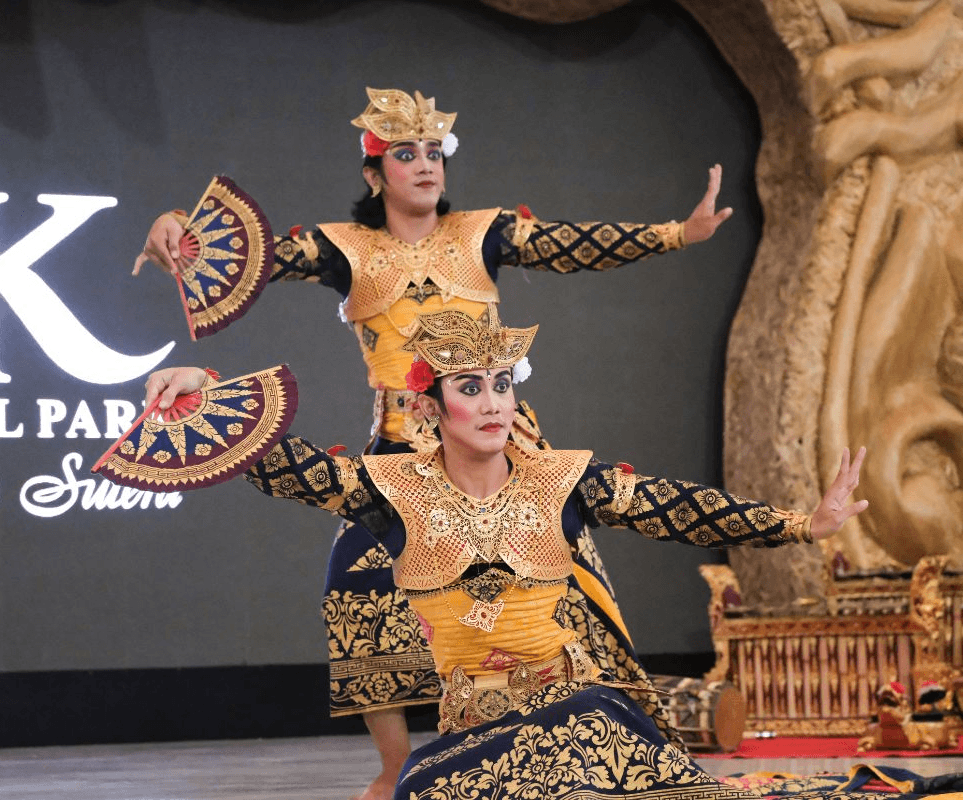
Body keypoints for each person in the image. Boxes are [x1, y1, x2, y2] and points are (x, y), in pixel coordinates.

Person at [132, 87, 733, 800]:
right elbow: (248, 257)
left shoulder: (482, 232)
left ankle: (586, 744)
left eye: (434, 152)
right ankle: (394, 769)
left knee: (563, 590)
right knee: (356, 592)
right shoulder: (346, 248)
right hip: (399, 444)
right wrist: (175, 223)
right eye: (405, 154)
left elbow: (569, 243)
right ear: (373, 173)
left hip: (502, 448)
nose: (425, 166)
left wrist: (673, 233)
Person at [142, 307, 871, 800]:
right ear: (431, 406)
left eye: (500, 386)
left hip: (583, 715)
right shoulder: (393, 492)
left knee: (583, 730)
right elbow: (291, 466)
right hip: (474, 736)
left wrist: (804, 523)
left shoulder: (561, 481)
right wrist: (204, 387)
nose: (492, 404)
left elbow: (674, 507)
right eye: (470, 388)